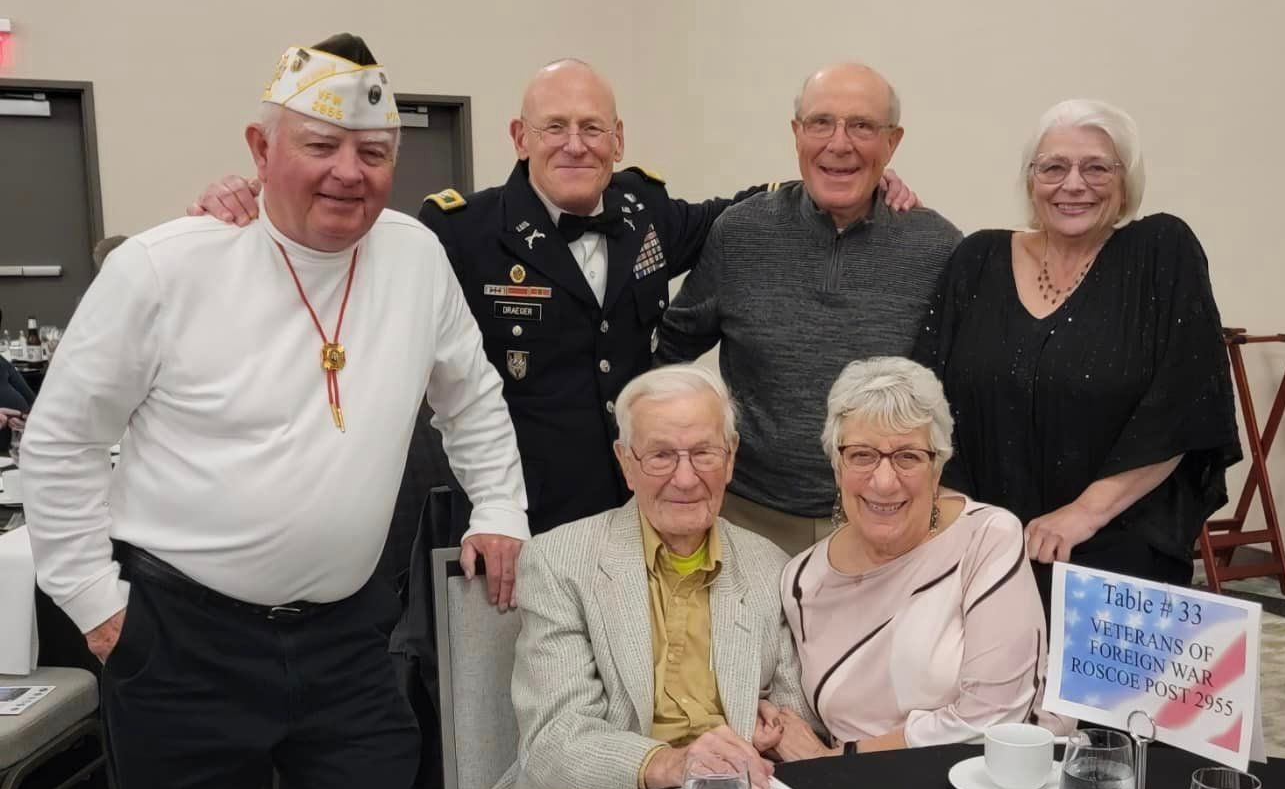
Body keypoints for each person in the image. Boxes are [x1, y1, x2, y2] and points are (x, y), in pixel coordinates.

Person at [20, 34, 529, 789]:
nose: (349, 173)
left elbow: (473, 393)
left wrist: (499, 506)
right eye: (320, 148)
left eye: (373, 154)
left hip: (346, 638)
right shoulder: (166, 267)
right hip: (180, 640)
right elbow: (61, 442)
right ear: (260, 152)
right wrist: (94, 602)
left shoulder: (413, 257)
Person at [190, 59, 916, 534]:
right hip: (517, 518)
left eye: (592, 128)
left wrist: (869, 179)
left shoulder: (648, 214)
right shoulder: (460, 232)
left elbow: (765, 204)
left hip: (634, 512)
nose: (576, 145)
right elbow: (343, 233)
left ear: (617, 138)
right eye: (556, 128)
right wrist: (254, 198)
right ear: (519, 137)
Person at [450, 363, 814, 789]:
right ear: (625, 462)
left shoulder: (769, 565)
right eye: (661, 456)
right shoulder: (561, 562)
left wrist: (767, 737)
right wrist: (672, 763)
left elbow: (793, 721)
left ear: (730, 460)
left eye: (704, 453)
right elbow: (554, 742)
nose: (685, 478)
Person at [915, 99, 1241, 612]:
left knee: (1101, 696)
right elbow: (925, 395)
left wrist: (1084, 514)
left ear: (1125, 180)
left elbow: (1185, 401)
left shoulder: (1161, 252)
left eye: (1096, 167)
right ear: (1030, 180)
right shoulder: (977, 258)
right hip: (980, 546)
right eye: (1054, 167)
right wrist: (964, 522)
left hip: (1115, 546)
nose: (1073, 184)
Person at [658, 63, 961, 557]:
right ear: (796, 133)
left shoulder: (937, 248)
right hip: (749, 520)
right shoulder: (740, 234)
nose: (838, 143)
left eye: (862, 126)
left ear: (893, 142)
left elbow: (959, 391)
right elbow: (667, 355)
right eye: (820, 123)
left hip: (885, 520)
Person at [769, 357, 1065, 761]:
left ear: (937, 467)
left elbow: (997, 716)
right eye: (861, 455)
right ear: (837, 467)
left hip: (977, 786)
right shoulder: (801, 579)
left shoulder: (987, 538)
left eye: (908, 456)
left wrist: (845, 760)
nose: (885, 481)